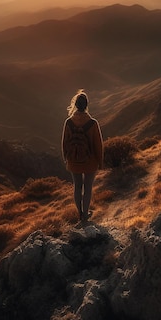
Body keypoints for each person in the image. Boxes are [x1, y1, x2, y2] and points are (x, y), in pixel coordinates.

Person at [62, 90, 104, 223]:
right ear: (86, 105)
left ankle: (79, 213)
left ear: (75, 104)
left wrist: (66, 158)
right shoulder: (92, 123)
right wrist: (100, 162)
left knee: (77, 186)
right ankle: (85, 215)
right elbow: (98, 145)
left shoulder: (68, 122)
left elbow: (65, 142)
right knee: (88, 188)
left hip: (74, 161)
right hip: (90, 161)